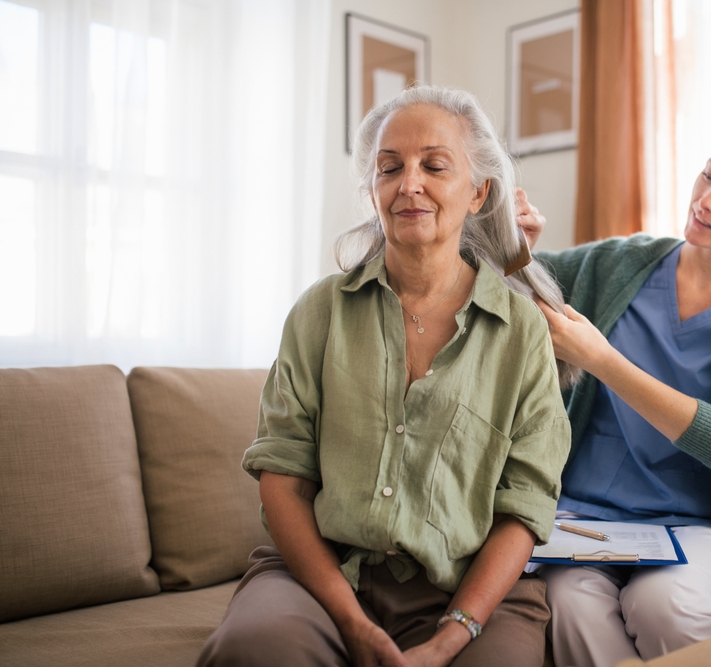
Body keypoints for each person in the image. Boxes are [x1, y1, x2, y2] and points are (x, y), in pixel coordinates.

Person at [197, 86, 573, 667]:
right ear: (373, 191)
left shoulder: (522, 331)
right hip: (320, 579)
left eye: (434, 165)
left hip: (462, 593)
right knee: (253, 651)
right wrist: (348, 618)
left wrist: (452, 635)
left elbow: (523, 508)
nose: (409, 183)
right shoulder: (319, 312)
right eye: (390, 168)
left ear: (479, 194)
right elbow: (284, 481)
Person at [518, 118, 711, 667]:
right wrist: (517, 246)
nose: (706, 200)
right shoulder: (617, 264)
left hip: (693, 528)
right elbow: (513, 286)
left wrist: (602, 361)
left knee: (667, 608)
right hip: (583, 517)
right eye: (707, 175)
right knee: (567, 603)